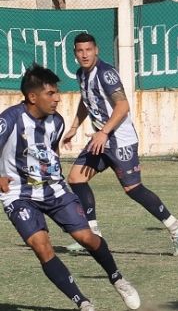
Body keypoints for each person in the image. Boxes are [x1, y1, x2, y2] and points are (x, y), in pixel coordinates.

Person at [1, 65, 140, 311]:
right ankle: (83, 303)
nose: (57, 98)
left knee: (86, 238)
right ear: (33, 97)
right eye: (51, 93)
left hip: (54, 190)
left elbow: (50, 150)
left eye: (57, 93)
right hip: (18, 194)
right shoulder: (9, 120)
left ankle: (117, 278)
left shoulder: (57, 122)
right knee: (41, 246)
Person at [63, 33, 178, 256]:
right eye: (80, 51)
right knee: (76, 178)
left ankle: (175, 225)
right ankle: (93, 234)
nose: (84, 54)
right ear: (75, 53)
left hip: (120, 141)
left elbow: (122, 106)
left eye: (88, 50)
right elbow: (86, 100)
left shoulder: (106, 73)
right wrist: (73, 127)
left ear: (96, 50)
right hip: (102, 140)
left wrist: (103, 132)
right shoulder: (81, 74)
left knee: (133, 189)